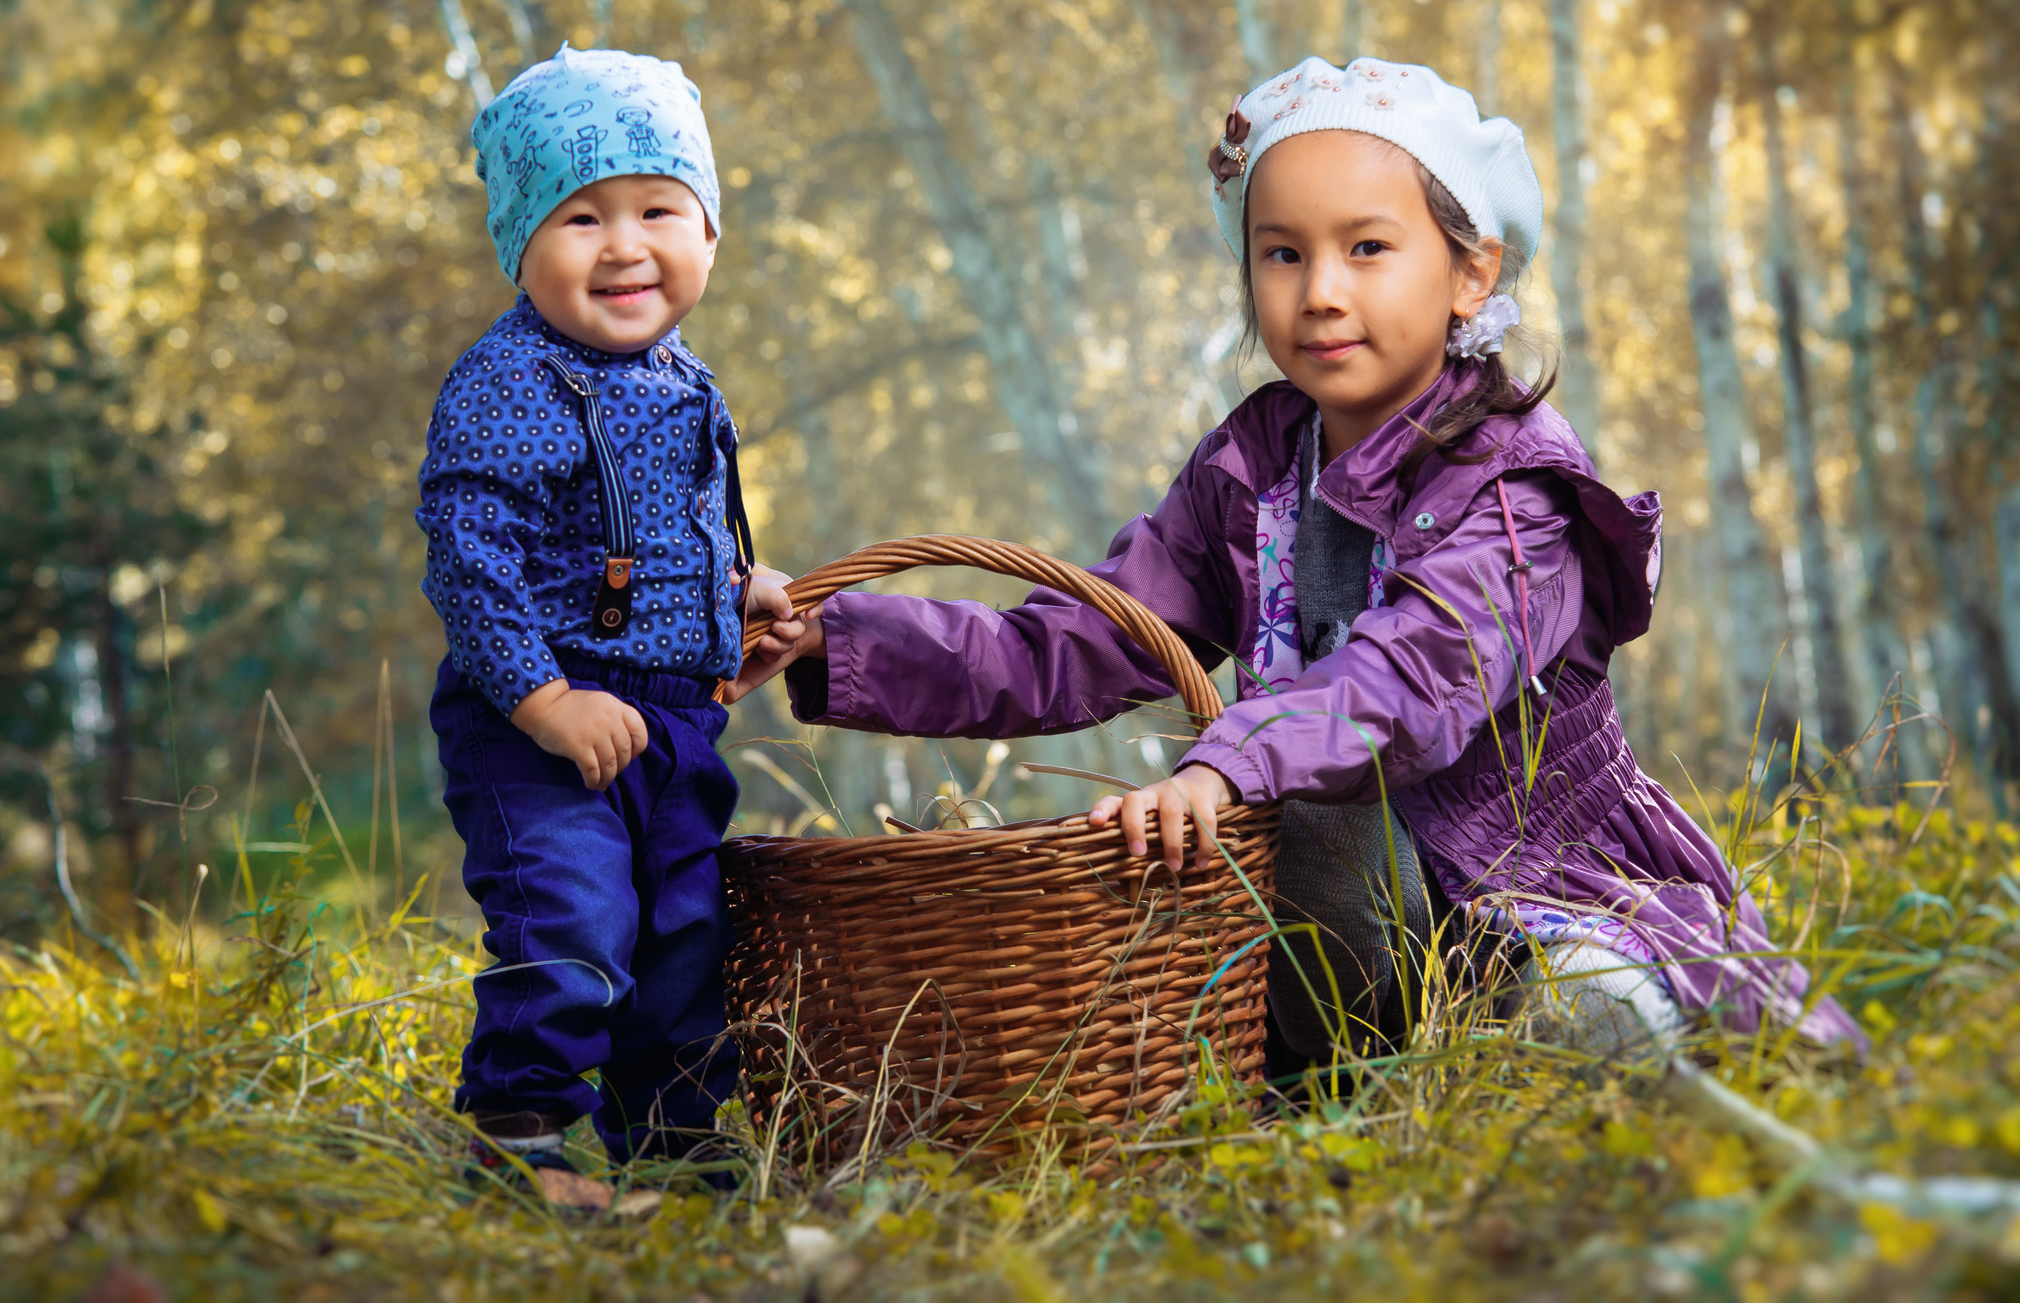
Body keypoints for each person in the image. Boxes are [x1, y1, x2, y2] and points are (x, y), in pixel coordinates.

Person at [730, 56, 1863, 1072]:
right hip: (1345, 882)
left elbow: (1408, 681)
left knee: (1344, 819)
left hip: (1526, 871)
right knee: (1275, 826)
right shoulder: (1253, 465)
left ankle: (1540, 1012)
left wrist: (1228, 760)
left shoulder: (1522, 488)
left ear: (1472, 274)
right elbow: (1083, 639)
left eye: (1367, 247)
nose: (1319, 289)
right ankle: (1328, 1053)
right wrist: (840, 634)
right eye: (1282, 253)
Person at [417, 46, 805, 1208]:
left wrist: (734, 593)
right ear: (520, 247)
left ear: (709, 237)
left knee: (685, 930)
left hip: (673, 721)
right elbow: (471, 557)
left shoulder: (685, 382)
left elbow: (664, 531)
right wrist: (543, 701)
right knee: (574, 919)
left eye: (658, 209)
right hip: (541, 712)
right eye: (580, 217)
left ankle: (676, 1142)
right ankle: (520, 1134)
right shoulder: (508, 382)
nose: (625, 243)